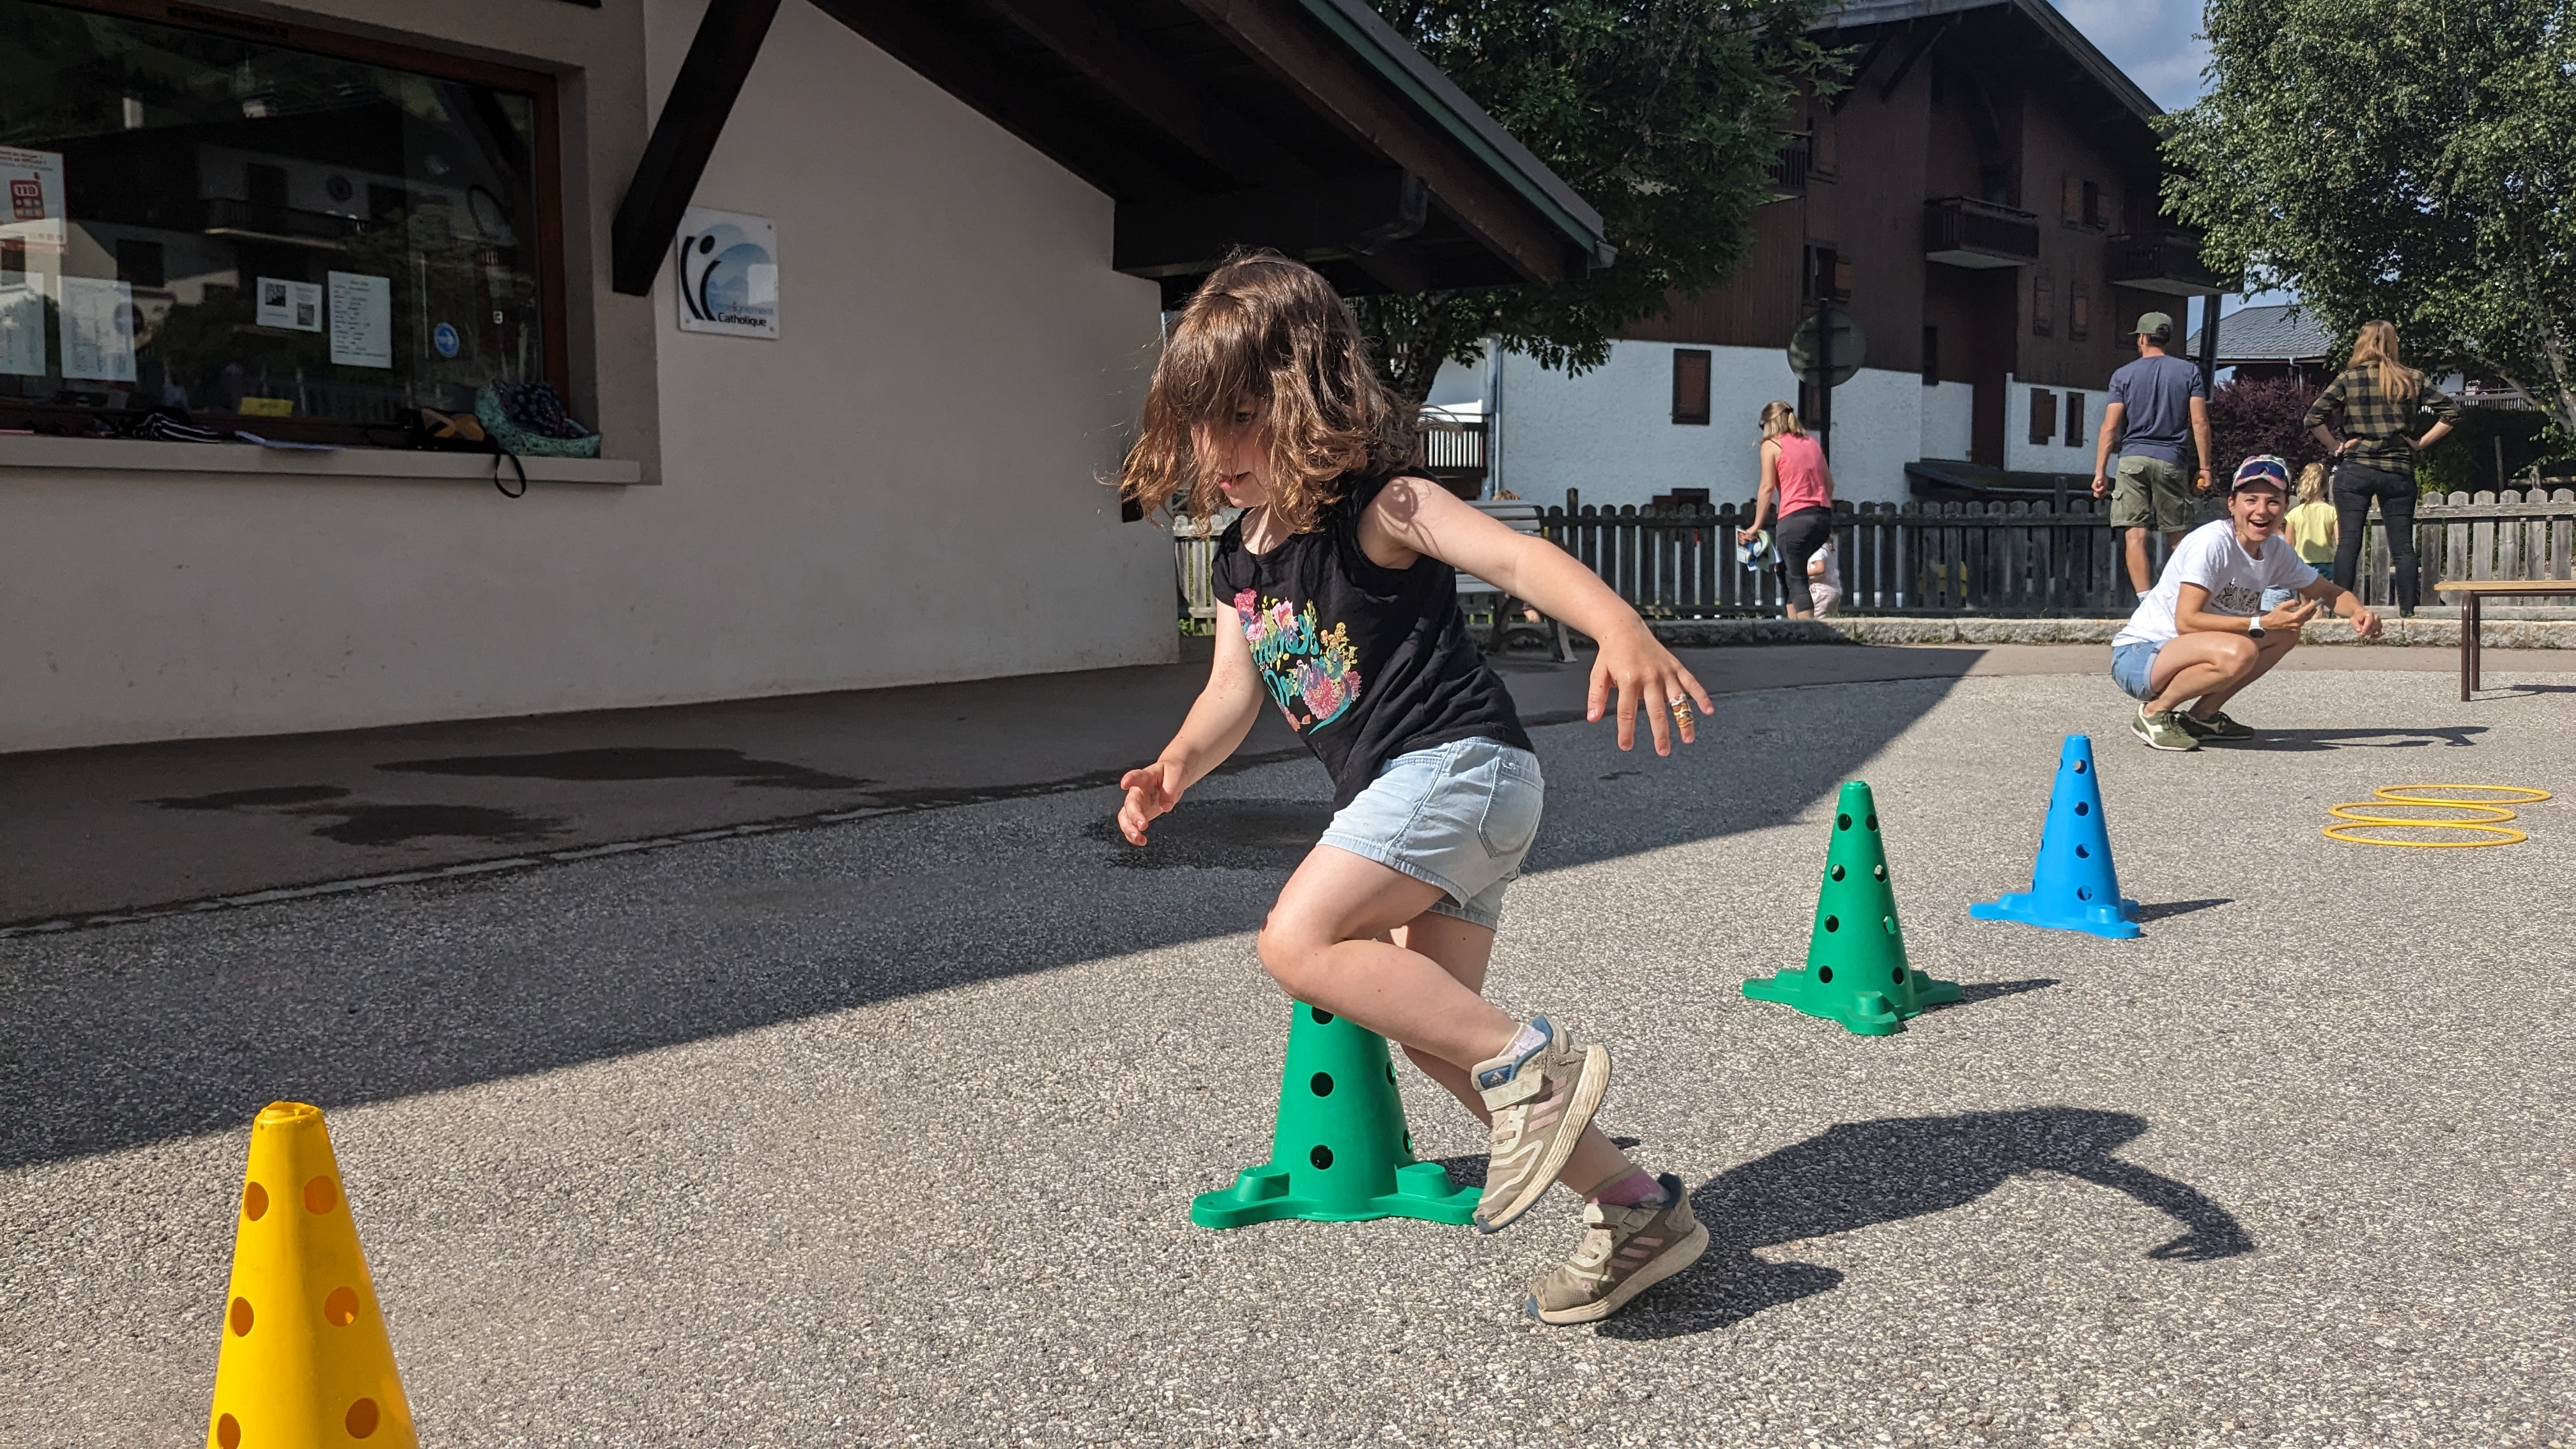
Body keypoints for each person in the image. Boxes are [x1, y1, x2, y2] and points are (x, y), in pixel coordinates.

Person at [1113, 252, 1714, 1326]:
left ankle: (1532, 1063)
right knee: (1439, 1039)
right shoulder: (1242, 559)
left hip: (1454, 767)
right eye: (1199, 423)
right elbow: (1229, 696)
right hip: (1432, 797)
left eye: (1238, 417)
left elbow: (1517, 561)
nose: (1215, 449)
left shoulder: (1384, 504)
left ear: (1299, 397)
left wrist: (1617, 626)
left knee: (1296, 941)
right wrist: (1172, 767)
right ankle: (1635, 1206)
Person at [2109, 455, 2384, 751]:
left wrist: (2358, 612)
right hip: (2139, 656)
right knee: (2241, 649)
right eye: (2250, 500)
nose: (2261, 511)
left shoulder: (2275, 550)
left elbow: (2328, 592)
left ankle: (2202, 717)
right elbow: (2186, 621)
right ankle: (2154, 713)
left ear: (2286, 507)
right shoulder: (2212, 543)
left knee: (2286, 633)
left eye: (2273, 501)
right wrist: (2260, 623)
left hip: (2184, 652)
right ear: (2232, 504)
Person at [2305, 319, 2458, 617]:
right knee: (2402, 546)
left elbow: (2313, 418)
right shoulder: (2412, 378)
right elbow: (2452, 412)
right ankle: (2407, 612)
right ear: (2393, 343)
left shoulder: (2349, 378)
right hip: (2397, 467)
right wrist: (2419, 443)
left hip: (2356, 467)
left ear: (2362, 342)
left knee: (2349, 542)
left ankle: (2342, 611)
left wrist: (2336, 447)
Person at [2091, 312, 2214, 594]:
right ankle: (2184, 598)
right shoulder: (2188, 372)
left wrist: (2100, 472)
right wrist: (2205, 467)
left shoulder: (2123, 375)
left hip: (2132, 458)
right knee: (2178, 536)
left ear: (2143, 338)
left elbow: (2110, 427)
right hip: (2171, 459)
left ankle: (2145, 603)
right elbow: (2199, 422)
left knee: (2135, 535)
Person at [1736, 401, 1834, 618]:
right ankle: (1793, 627)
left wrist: (1756, 526)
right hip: (1821, 518)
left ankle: (1808, 634)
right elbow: (1829, 484)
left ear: (1769, 423)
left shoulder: (1772, 445)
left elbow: (1767, 487)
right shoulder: (1811, 443)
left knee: (1796, 578)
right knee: (1786, 571)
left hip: (1794, 519)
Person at [2283, 463, 2338, 574]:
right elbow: (2340, 541)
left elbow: (2287, 546)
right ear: (2326, 486)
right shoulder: (2332, 512)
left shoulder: (2294, 514)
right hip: (2327, 562)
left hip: (2302, 564)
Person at [1806, 537, 1843, 616]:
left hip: (1821, 591)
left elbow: (1820, 569)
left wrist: (1802, 573)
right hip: (1833, 589)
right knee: (1830, 617)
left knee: (1819, 619)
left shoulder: (1817, 551)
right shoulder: (1826, 549)